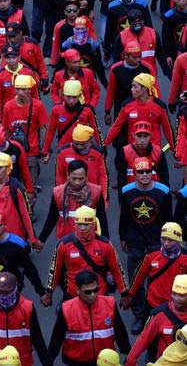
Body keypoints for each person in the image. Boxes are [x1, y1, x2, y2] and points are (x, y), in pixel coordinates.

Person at [120, 156, 174, 333]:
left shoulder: (164, 191)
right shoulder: (127, 191)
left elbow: (168, 219)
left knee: (155, 281)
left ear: (153, 172)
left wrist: (168, 241)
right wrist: (123, 237)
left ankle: (156, 315)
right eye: (140, 172)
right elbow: (124, 217)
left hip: (156, 243)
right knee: (135, 281)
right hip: (135, 243)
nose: (144, 175)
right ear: (134, 174)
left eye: (147, 171)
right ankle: (139, 316)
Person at [43, 205, 128, 304]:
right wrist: (49, 293)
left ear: (93, 224)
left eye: (86, 224)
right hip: (73, 296)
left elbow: (117, 270)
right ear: (75, 225)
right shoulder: (64, 244)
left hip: (99, 295)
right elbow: (54, 271)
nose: (82, 228)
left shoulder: (105, 245)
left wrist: (124, 294)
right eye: (79, 224)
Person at [47, 269, 131, 366]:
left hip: (104, 361)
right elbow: (56, 339)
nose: (92, 295)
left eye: (96, 290)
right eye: (88, 292)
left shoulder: (110, 304)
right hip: (77, 363)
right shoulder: (66, 309)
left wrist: (128, 354)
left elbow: (120, 331)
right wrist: (49, 361)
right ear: (78, 290)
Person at [40, 160, 108, 242]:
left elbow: (102, 218)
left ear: (86, 176)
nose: (77, 182)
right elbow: (52, 217)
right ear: (68, 176)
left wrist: (106, 240)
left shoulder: (96, 191)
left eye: (81, 179)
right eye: (74, 178)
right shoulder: (58, 193)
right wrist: (42, 239)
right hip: (65, 240)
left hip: (91, 239)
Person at [126, 274, 187, 366]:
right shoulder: (159, 314)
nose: (176, 298)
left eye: (181, 295)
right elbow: (144, 338)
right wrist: (130, 360)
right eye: (174, 293)